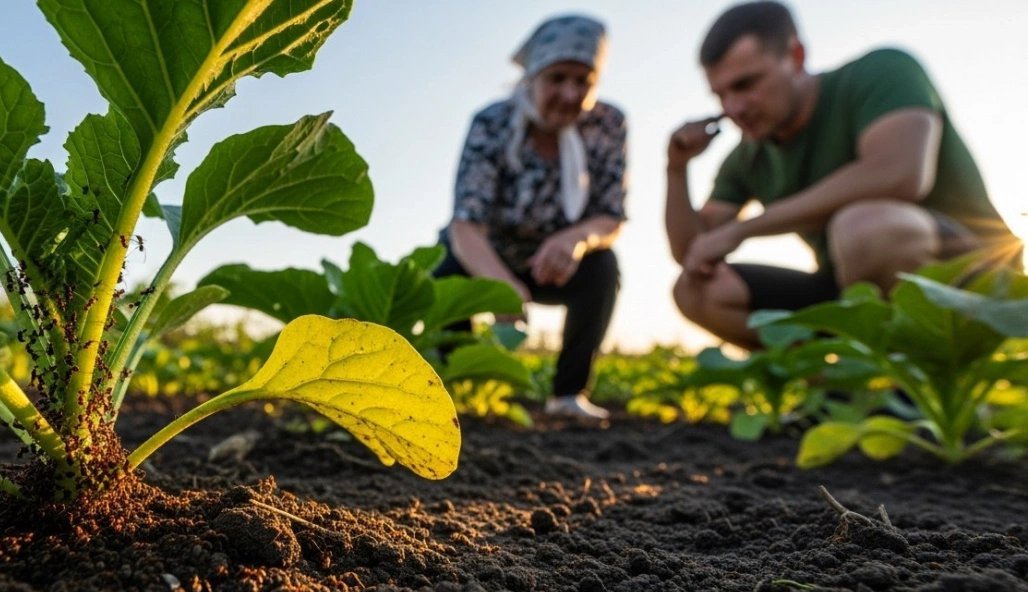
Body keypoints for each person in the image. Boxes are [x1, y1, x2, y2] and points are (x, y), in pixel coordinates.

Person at [667, 1, 1024, 350]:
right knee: (695, 289)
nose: (733, 108)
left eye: (746, 84)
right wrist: (677, 168)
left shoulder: (881, 72)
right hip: (854, 291)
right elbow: (694, 255)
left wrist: (744, 229)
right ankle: (838, 394)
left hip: (974, 279)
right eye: (721, 94)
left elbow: (898, 174)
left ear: (796, 56)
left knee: (867, 227)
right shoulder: (747, 158)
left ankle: (917, 384)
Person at [434, 14, 626, 422]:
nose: (570, 93)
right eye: (557, 78)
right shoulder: (493, 123)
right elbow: (465, 225)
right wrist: (500, 284)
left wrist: (575, 239)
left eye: (584, 81)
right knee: (444, 268)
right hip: (486, 256)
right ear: (532, 78)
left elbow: (611, 216)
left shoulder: (608, 124)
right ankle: (456, 395)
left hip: (555, 266)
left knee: (603, 266)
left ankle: (568, 394)